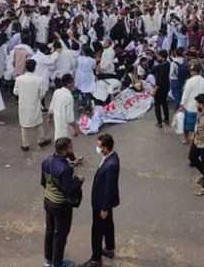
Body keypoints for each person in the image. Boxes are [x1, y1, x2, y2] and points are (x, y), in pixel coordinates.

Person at [41, 138, 84, 267]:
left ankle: (48, 258)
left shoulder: (46, 160)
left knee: (50, 230)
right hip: (60, 205)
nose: (73, 149)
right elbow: (68, 189)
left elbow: (43, 182)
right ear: (65, 150)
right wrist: (79, 181)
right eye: (71, 147)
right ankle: (57, 263)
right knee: (60, 234)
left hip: (48, 200)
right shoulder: (65, 169)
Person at [81, 134, 120, 267]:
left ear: (106, 148)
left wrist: (104, 208)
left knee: (97, 230)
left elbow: (109, 188)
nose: (97, 148)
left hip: (101, 202)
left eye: (99, 146)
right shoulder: (110, 157)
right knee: (108, 224)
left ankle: (96, 259)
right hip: (105, 201)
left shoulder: (111, 165)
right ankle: (109, 248)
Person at [14, 59, 51, 151]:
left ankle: (25, 144)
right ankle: (41, 140)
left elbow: (15, 92)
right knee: (38, 123)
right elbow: (42, 94)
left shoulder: (19, 79)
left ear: (26, 67)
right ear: (35, 67)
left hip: (23, 104)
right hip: (34, 104)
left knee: (24, 125)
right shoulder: (39, 79)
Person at [179, 65, 204, 145]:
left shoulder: (189, 81)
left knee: (187, 125)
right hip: (202, 107)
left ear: (193, 72)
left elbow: (185, 94)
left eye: (192, 71)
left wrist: (181, 105)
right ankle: (195, 138)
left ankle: (186, 139)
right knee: (198, 125)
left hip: (190, 107)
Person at [49, 74, 80, 143]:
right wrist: (76, 128)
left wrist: (50, 118)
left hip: (58, 126)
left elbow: (51, 108)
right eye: (73, 82)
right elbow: (70, 118)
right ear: (69, 84)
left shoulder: (56, 92)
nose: (74, 84)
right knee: (66, 147)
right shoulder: (69, 96)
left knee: (58, 143)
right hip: (65, 129)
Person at [152, 50, 171, 128]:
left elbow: (158, 80)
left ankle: (159, 122)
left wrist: (154, 90)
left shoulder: (159, 66)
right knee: (164, 102)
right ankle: (166, 118)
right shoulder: (168, 64)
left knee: (157, 105)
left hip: (159, 88)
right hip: (166, 86)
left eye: (158, 56)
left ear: (161, 56)